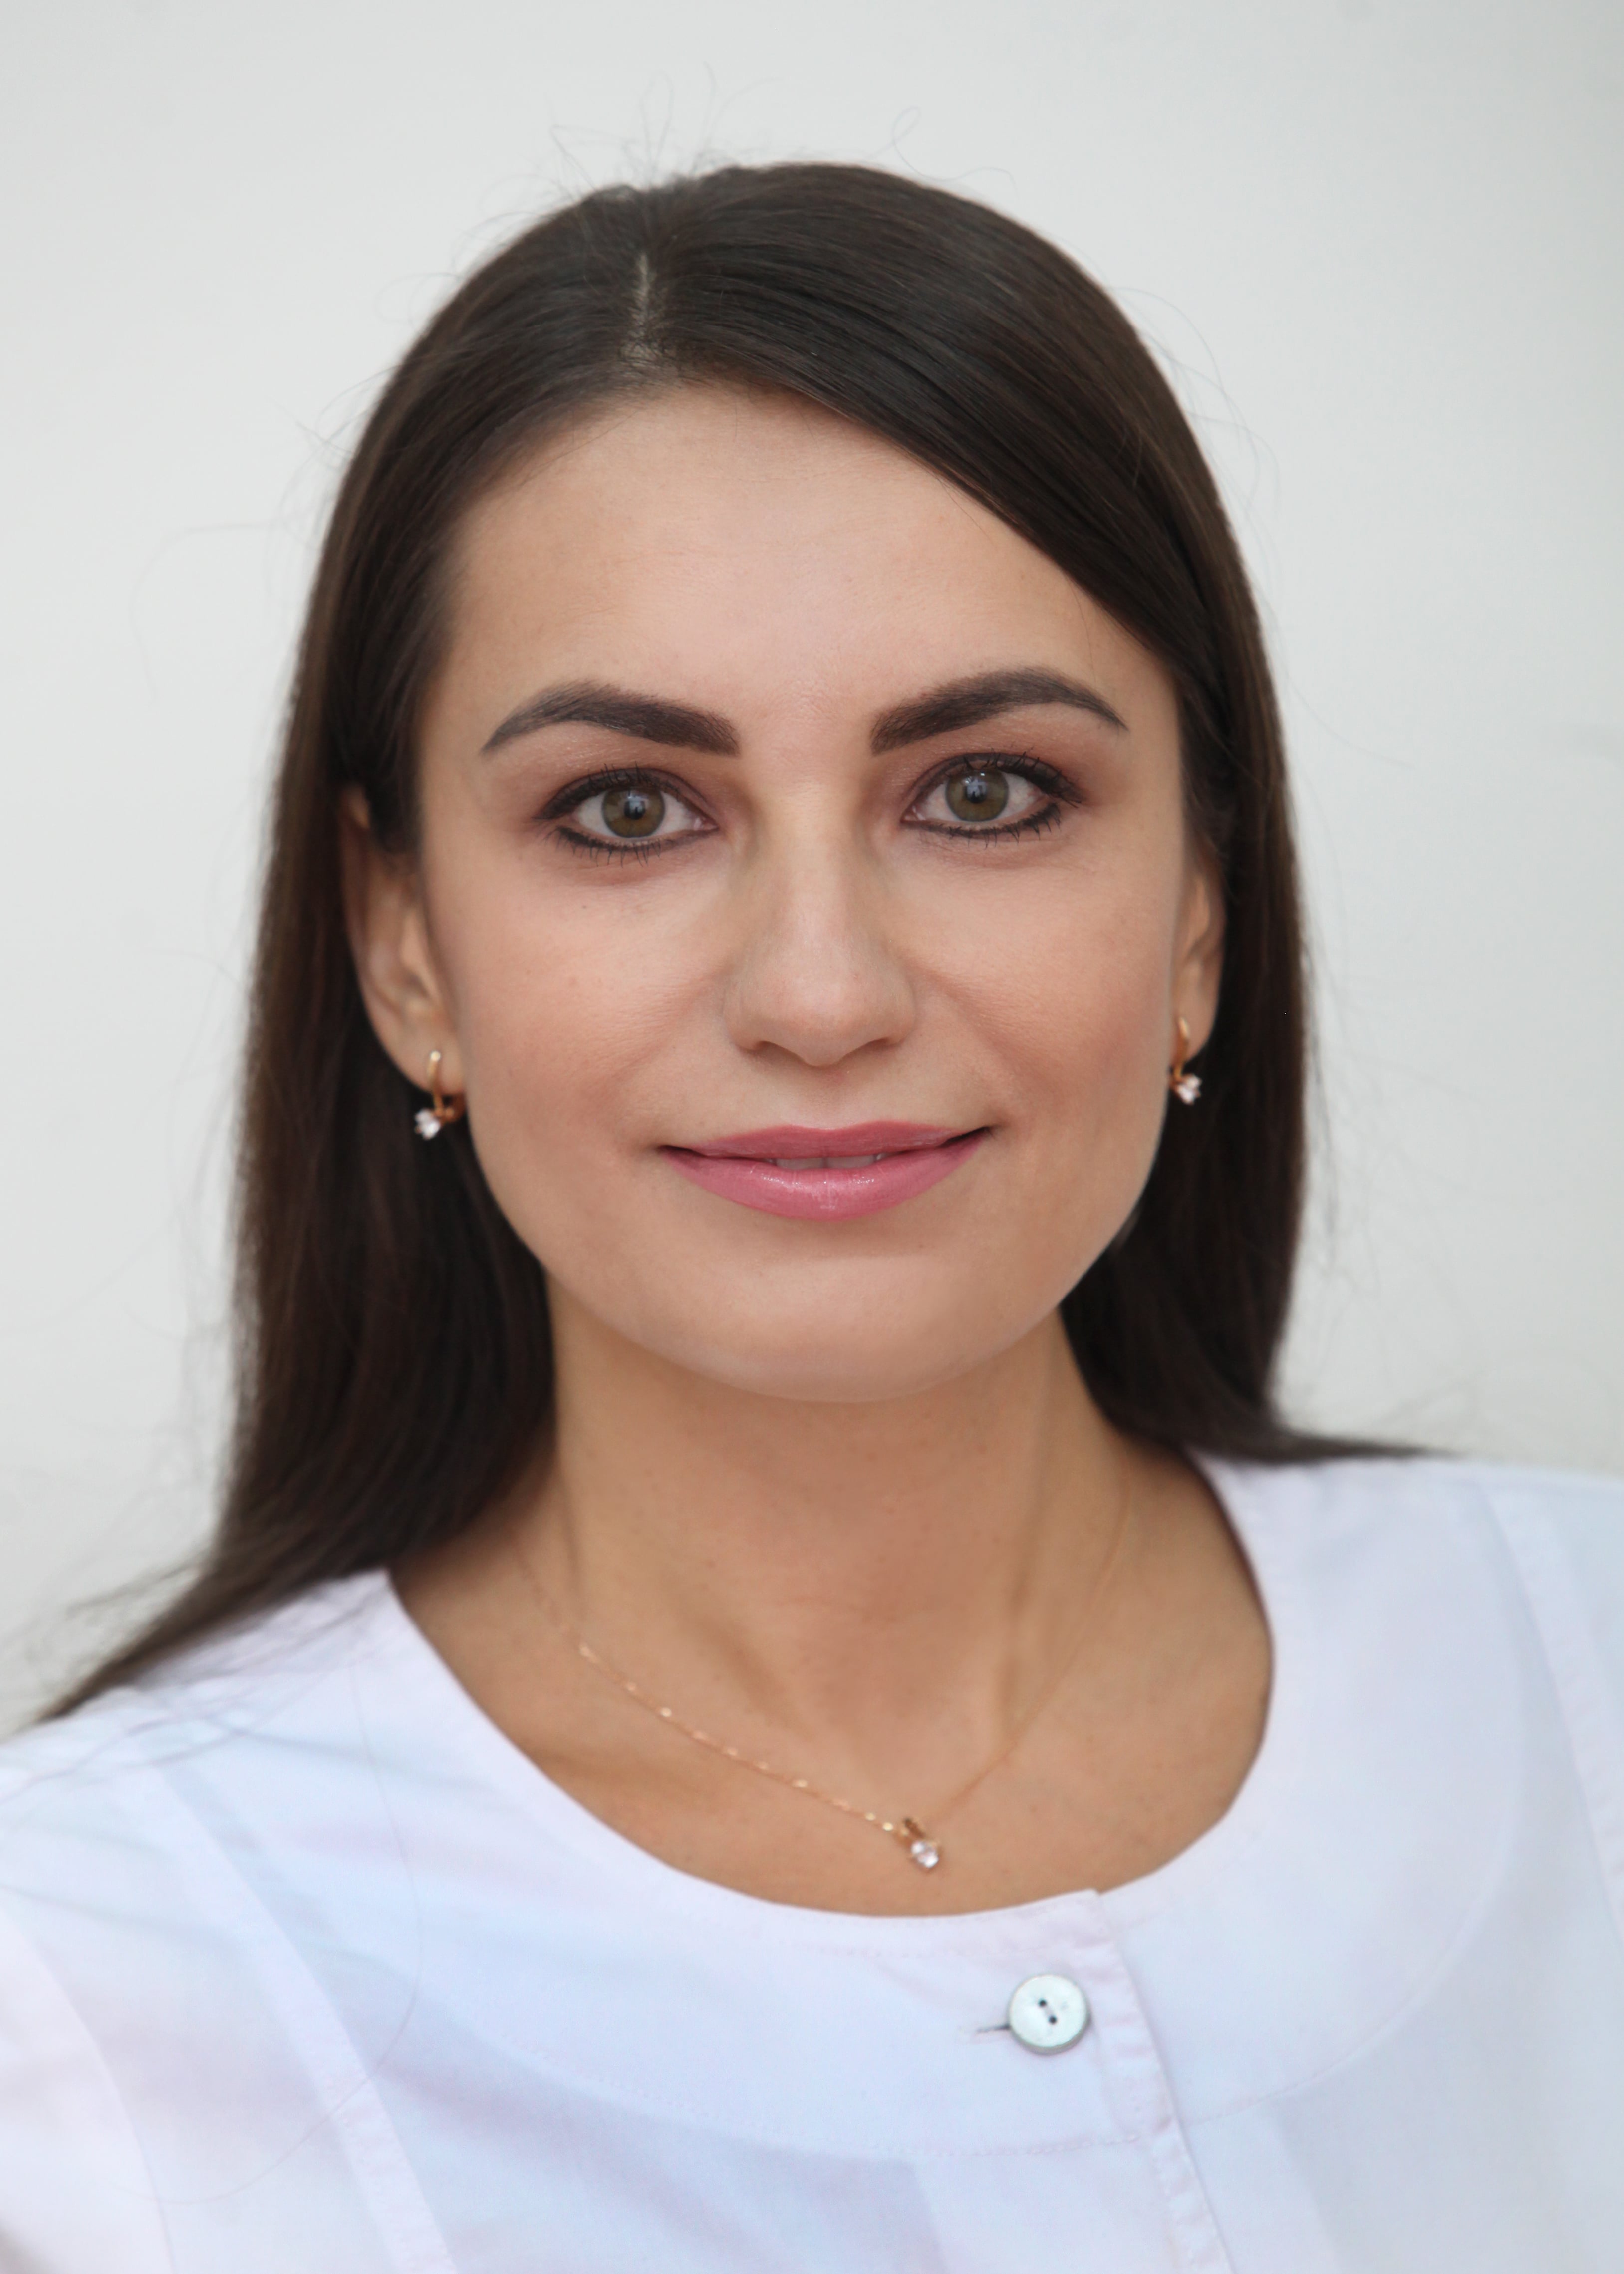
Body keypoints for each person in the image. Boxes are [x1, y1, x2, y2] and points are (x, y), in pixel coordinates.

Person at [1, 162, 1620, 2273]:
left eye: (984, 792)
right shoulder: (76, 1989)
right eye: (627, 810)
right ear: (402, 944)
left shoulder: (1584, 1659)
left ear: (1201, 912)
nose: (823, 993)